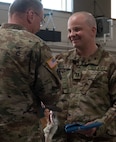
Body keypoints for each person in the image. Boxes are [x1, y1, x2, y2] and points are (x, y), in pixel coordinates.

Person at [0, 0, 61, 142]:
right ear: (30, 15)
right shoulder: (36, 45)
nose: (39, 27)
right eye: (41, 20)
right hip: (19, 133)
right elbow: (51, 95)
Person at [55, 11, 116, 142]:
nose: (72, 35)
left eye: (77, 29)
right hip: (60, 137)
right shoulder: (60, 60)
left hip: (96, 138)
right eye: (69, 30)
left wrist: (100, 124)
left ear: (93, 31)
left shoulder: (110, 64)